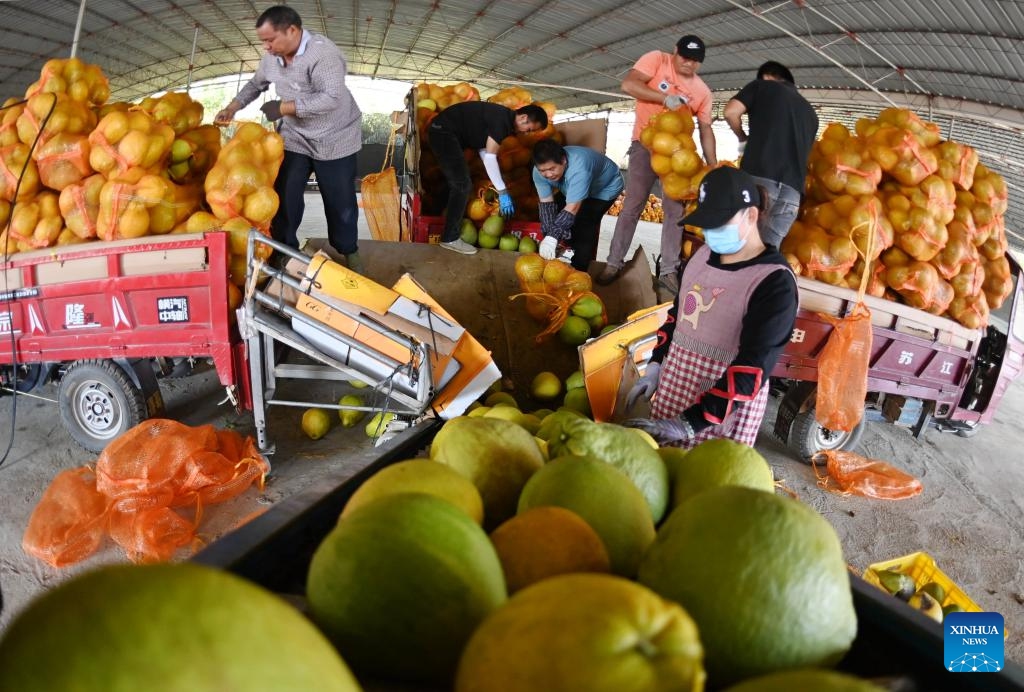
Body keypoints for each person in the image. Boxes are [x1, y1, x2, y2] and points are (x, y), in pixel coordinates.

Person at [622, 167, 798, 449]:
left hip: (721, 415)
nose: (710, 233)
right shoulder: (702, 256)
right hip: (674, 390)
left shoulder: (774, 282)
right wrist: (655, 365)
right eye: (707, 224)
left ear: (750, 216)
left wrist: (689, 423)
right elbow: (677, 317)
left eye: (719, 224)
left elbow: (752, 369)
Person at [214, 6, 363, 271]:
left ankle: (349, 252)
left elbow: (332, 98)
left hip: (336, 136)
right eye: (263, 41)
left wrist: (283, 108)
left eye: (270, 40)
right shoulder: (271, 59)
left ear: (292, 31)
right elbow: (256, 84)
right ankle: (284, 249)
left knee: (340, 203)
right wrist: (233, 107)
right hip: (295, 135)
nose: (266, 46)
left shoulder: (323, 54)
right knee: (285, 193)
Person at [597, 35, 718, 298]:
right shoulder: (656, 59)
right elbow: (629, 84)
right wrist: (664, 99)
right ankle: (613, 263)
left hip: (678, 156)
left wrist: (713, 165)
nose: (689, 64)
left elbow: (706, 129)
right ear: (675, 51)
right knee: (632, 207)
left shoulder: (702, 91)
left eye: (696, 61)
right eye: (685, 57)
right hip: (644, 144)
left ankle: (668, 272)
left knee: (675, 213)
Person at [427, 101, 548, 255]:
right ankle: (450, 238)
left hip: (442, 131)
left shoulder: (503, 118)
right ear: (524, 118)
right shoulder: (502, 122)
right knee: (463, 185)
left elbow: (484, 151)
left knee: (456, 181)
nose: (526, 133)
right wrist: (502, 191)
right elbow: (489, 157)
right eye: (529, 129)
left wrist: (497, 180)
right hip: (444, 133)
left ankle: (438, 217)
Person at [723, 61, 818, 248]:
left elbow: (730, 112)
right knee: (765, 257)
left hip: (759, 182)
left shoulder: (762, 86)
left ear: (767, 77)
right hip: (792, 195)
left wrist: (743, 138)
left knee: (737, 248)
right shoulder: (811, 113)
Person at [531, 139, 624, 270]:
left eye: (552, 169)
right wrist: (549, 236)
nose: (548, 174)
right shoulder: (538, 173)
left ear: (563, 161)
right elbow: (547, 205)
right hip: (572, 186)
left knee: (584, 224)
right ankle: (562, 245)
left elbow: (572, 208)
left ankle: (580, 268)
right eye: (543, 170)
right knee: (558, 213)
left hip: (603, 189)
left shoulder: (579, 168)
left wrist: (553, 236)